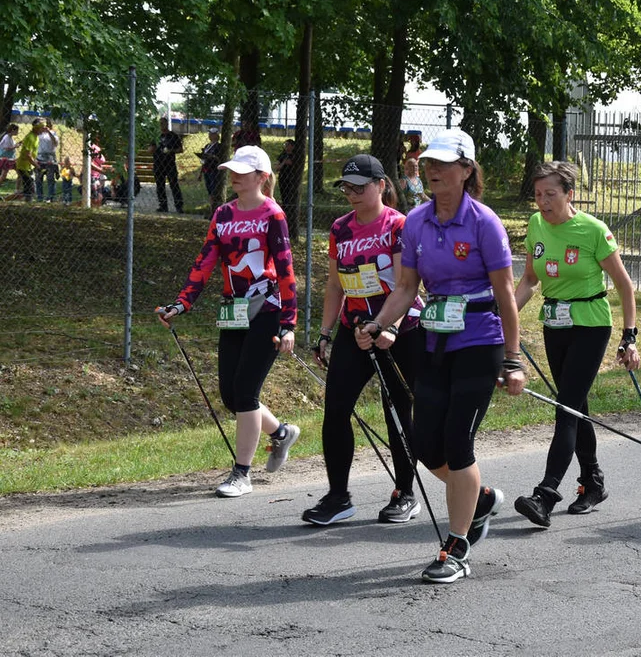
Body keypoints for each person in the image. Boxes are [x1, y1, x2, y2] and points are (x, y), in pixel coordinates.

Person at [363, 128, 524, 584]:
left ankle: (456, 546)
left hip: (480, 340)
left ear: (467, 170)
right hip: (434, 338)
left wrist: (513, 358)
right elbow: (406, 288)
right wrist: (380, 324)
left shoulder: (484, 222)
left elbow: (505, 292)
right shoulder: (415, 221)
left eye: (443, 164)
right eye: (429, 163)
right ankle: (483, 497)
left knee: (458, 442)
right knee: (425, 444)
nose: (432, 170)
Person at [156, 145, 300, 498]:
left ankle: (241, 473)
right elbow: (205, 260)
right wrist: (181, 303)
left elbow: (285, 269)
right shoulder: (222, 213)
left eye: (243, 170)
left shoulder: (273, 214)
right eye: (232, 169)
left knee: (247, 393)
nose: (234, 175)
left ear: (261, 177)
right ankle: (280, 433)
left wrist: (289, 322)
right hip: (233, 310)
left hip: (267, 309)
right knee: (231, 396)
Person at [511, 161, 640, 528]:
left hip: (591, 324)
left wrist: (629, 337)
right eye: (538, 194)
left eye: (551, 194)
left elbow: (624, 285)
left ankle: (546, 494)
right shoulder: (536, 226)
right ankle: (593, 481)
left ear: (570, 194)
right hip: (555, 323)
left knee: (566, 408)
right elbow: (531, 281)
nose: (543, 202)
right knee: (575, 402)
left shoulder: (593, 230)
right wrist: (504, 315)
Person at [301, 154, 427, 527]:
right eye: (347, 188)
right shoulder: (341, 228)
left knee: (397, 410)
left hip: (398, 330)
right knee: (336, 410)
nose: (352, 194)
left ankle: (404, 493)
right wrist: (324, 333)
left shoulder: (398, 225)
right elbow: (336, 283)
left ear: (381, 186)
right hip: (353, 328)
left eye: (360, 187)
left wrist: (389, 326)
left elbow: (408, 284)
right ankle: (338, 495)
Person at [152, 116, 185, 213]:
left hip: (170, 164)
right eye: (160, 124)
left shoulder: (173, 136)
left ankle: (179, 206)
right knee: (160, 185)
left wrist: (171, 150)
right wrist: (154, 148)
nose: (162, 125)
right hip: (158, 164)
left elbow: (180, 149)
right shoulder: (156, 136)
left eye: (163, 123)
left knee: (174, 184)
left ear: (167, 124)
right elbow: (150, 149)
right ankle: (163, 205)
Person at [15, 119, 45, 202]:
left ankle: (24, 201)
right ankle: (26, 202)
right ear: (37, 128)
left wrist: (35, 162)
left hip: (29, 166)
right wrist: (37, 166)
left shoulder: (36, 137)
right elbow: (28, 155)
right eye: (42, 128)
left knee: (29, 188)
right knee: (30, 189)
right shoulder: (31, 138)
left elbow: (32, 153)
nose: (44, 130)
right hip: (23, 166)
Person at [198, 128, 223, 209]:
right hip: (206, 169)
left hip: (214, 170)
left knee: (213, 190)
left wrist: (211, 156)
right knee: (209, 190)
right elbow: (204, 160)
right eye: (210, 134)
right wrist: (200, 173)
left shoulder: (218, 146)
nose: (210, 135)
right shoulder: (207, 146)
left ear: (216, 135)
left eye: (212, 134)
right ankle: (212, 207)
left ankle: (214, 208)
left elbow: (219, 158)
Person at [35, 119, 59, 202]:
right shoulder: (38, 134)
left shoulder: (53, 133)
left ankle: (50, 197)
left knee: (50, 179)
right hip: (39, 158)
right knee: (38, 179)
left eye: (46, 125)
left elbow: (55, 143)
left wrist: (49, 132)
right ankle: (39, 197)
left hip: (50, 159)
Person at [0, 123, 18, 189]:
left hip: (10, 158)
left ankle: (17, 189)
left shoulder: (10, 137)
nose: (17, 132)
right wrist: (15, 146)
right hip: (5, 158)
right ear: (12, 130)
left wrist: (16, 145)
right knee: (3, 175)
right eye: (16, 130)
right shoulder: (7, 137)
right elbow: (7, 148)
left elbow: (11, 146)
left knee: (19, 172)